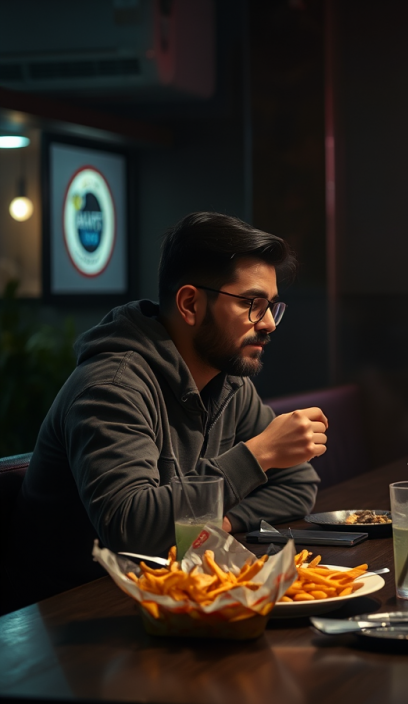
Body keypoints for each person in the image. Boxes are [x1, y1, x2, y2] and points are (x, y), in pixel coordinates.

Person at [10, 212, 326, 605]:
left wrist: (216, 522)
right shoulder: (111, 386)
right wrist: (257, 454)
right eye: (251, 304)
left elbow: (298, 485)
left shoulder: (229, 383)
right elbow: (132, 529)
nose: (269, 324)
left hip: (166, 598)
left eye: (271, 307)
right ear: (190, 303)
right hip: (70, 618)